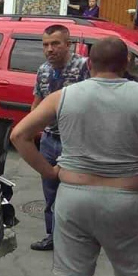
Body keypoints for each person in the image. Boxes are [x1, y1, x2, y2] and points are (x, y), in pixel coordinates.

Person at [10, 36, 138, 276]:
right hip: (128, 199)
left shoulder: (65, 97)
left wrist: (50, 171)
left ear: (89, 65)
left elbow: (19, 135)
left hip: (75, 197)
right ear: (128, 66)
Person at [29, 24, 90, 251]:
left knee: (76, 193)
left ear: (68, 44)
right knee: (50, 191)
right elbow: (36, 103)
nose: (50, 49)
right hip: (49, 140)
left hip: (76, 142)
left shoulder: (84, 67)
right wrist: (30, 130)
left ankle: (78, 239)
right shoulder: (43, 70)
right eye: (45, 44)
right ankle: (52, 236)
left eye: (55, 43)